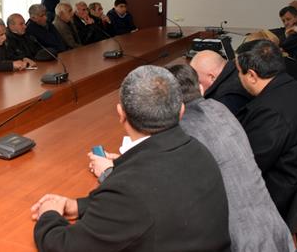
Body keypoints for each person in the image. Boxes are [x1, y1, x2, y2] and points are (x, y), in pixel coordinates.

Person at [31, 66, 230, 252]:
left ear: (121, 114)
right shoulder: (199, 151)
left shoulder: (130, 189)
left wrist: (49, 214)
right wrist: (78, 206)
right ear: (181, 112)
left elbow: (64, 246)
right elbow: (148, 205)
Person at [167, 64, 295, 252]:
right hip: (276, 233)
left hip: (238, 244)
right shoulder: (220, 108)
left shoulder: (182, 133)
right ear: (201, 88)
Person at [235, 40, 297, 219]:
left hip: (276, 200)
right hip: (293, 182)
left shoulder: (271, 112)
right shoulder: (294, 88)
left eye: (239, 72)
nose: (238, 77)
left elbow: (248, 167)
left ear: (252, 75)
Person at [190, 50, 252, 115]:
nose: (197, 86)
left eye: (198, 82)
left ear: (212, 77)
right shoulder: (241, 69)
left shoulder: (223, 100)